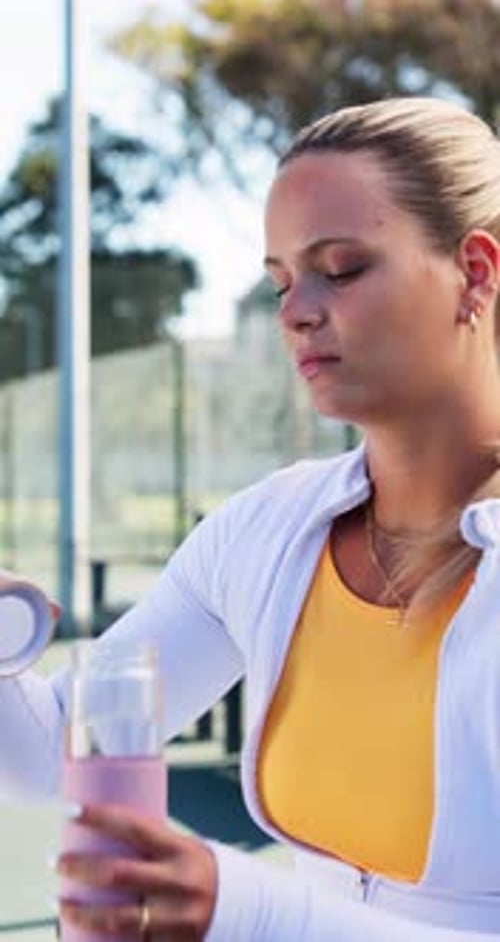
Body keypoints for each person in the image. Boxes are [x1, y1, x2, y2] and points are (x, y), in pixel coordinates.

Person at [1, 94, 500, 942]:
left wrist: (244, 908)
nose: (295, 310)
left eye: (341, 268)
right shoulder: (265, 532)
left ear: (477, 272)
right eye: (281, 281)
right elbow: (55, 750)